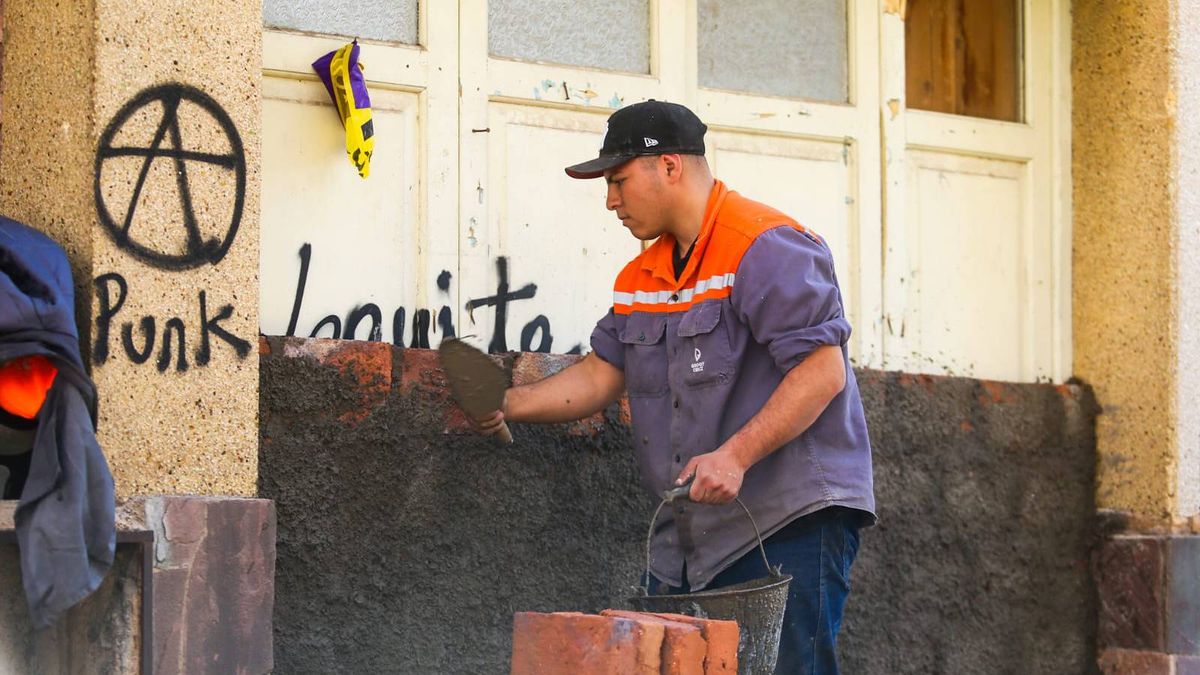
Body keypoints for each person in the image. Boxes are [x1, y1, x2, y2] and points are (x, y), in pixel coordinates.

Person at [473, 100, 875, 674]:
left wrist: (735, 456)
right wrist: (506, 403)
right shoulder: (642, 276)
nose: (610, 200)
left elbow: (822, 371)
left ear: (669, 166)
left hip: (789, 520)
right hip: (693, 538)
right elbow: (601, 373)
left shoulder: (766, 244)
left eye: (618, 180)